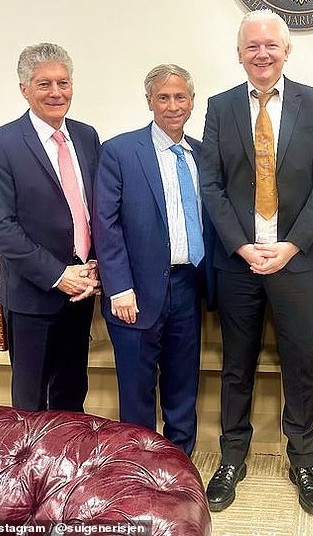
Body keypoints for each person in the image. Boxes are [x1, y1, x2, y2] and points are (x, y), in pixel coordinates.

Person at [200, 9, 313, 516]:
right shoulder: (219, 107)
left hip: (296, 262)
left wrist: (290, 246)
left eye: (270, 45)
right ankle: (231, 458)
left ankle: (303, 461)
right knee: (235, 367)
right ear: (240, 54)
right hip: (237, 262)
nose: (262, 53)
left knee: (299, 368)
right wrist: (241, 245)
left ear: (287, 50)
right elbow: (211, 186)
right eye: (251, 46)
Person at [93, 64, 215, 456]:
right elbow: (105, 224)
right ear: (149, 102)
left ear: (192, 102)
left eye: (181, 96)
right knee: (136, 388)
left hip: (187, 286)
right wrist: (119, 287)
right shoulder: (120, 151)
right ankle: (138, 468)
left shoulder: (201, 153)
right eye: (163, 97)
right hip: (136, 291)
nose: (173, 105)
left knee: (183, 383)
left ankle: (180, 462)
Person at [0, 43, 100, 412]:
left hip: (80, 292)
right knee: (31, 403)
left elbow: (94, 211)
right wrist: (58, 274)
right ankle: (31, 472)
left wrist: (93, 266)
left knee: (71, 395)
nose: (56, 92)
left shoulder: (87, 136)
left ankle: (66, 467)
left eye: (63, 82)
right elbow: (1, 226)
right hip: (34, 296)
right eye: (44, 84)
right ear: (24, 88)